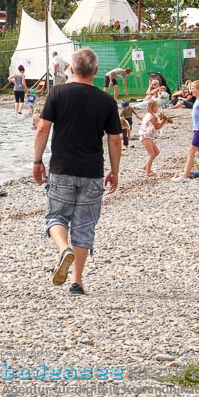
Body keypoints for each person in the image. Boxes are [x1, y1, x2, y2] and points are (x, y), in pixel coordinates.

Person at [32, 48, 122, 296]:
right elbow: (115, 140)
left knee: (56, 218)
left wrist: (37, 161)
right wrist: (115, 171)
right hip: (93, 172)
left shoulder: (58, 93)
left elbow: (42, 129)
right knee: (84, 225)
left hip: (62, 169)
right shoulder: (106, 101)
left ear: (71, 70)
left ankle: (63, 249)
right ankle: (77, 282)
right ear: (95, 71)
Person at [139, 98, 167, 176]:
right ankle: (148, 172)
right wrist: (164, 121)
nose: (158, 109)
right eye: (157, 107)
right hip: (145, 136)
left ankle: (146, 166)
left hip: (147, 136)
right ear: (152, 107)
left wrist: (162, 120)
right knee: (152, 154)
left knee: (156, 152)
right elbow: (157, 127)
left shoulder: (149, 115)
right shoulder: (152, 117)